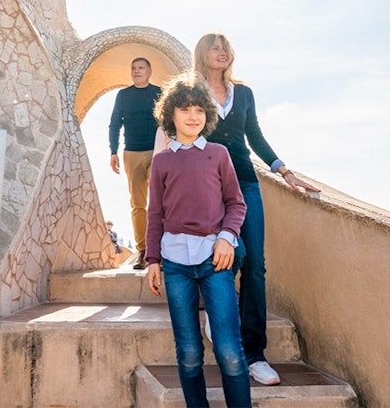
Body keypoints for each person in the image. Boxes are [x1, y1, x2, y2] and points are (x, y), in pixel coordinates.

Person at [193, 32, 322, 386]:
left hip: (247, 183)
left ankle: (254, 355)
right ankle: (217, 309)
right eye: (215, 47)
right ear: (203, 54)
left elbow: (255, 137)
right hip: (207, 186)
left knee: (256, 267)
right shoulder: (192, 91)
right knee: (236, 253)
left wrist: (285, 171)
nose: (222, 52)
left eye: (226, 48)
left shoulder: (244, 93)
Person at [145, 74, 251, 408]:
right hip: (175, 265)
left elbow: (236, 203)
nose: (193, 116)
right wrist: (152, 260)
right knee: (189, 352)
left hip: (215, 260)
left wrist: (226, 238)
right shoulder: (161, 161)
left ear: (207, 114)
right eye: (185, 109)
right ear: (170, 115)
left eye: (199, 110)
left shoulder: (218, 154)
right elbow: (155, 214)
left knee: (229, 351)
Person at [108, 57, 162, 269]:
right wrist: (113, 151)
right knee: (138, 204)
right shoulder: (124, 95)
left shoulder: (159, 93)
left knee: (161, 203)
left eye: (141, 68)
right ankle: (143, 251)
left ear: (150, 71)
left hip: (158, 152)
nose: (136, 71)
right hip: (132, 153)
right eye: (133, 68)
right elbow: (114, 124)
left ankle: (161, 252)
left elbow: (170, 122)